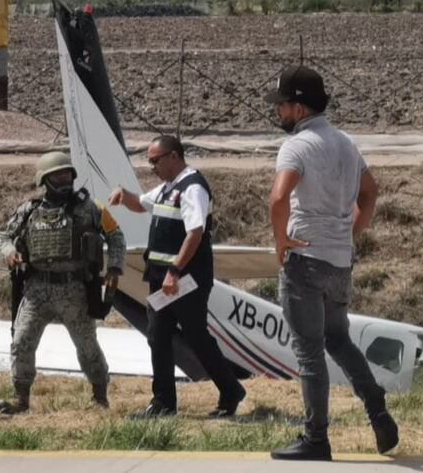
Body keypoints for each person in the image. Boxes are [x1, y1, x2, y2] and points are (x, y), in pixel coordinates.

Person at [264, 65, 399, 462]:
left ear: (299, 107)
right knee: (339, 339)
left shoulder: (296, 146)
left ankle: (316, 438)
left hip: (305, 261)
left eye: (283, 106)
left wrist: (280, 241)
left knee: (308, 353)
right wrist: (349, 234)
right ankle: (374, 402)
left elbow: (277, 199)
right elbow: (371, 192)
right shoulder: (345, 142)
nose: (278, 113)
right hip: (340, 261)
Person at [109, 135, 246, 419]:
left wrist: (175, 271)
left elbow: (195, 233)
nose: (152, 167)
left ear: (174, 156)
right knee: (157, 335)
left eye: (155, 160)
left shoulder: (192, 187)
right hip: (163, 278)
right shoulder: (167, 188)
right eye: (150, 162)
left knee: (196, 337)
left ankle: (230, 389)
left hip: (185, 279)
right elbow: (141, 204)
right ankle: (163, 403)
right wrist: (124, 195)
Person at [0, 151, 124, 415]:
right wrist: (9, 253)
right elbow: (4, 235)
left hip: (75, 290)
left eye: (67, 174)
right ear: (44, 179)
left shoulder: (92, 208)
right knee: (21, 342)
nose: (64, 179)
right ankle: (21, 398)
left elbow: (116, 235)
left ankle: (99, 397)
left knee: (87, 347)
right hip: (36, 290)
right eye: (58, 175)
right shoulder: (29, 210)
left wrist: (115, 267)